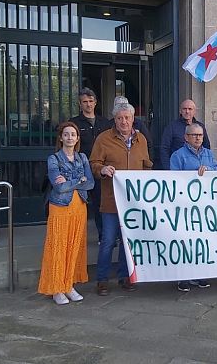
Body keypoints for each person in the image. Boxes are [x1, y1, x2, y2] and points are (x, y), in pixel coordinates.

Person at [90, 102, 153, 295]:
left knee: (128, 241)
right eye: (119, 118)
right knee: (108, 241)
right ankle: (102, 280)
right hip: (111, 200)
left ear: (133, 119)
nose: (124, 121)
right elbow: (94, 163)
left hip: (133, 203)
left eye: (127, 118)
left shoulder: (141, 139)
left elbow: (146, 165)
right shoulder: (103, 139)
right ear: (114, 120)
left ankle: (125, 277)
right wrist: (102, 169)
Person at [38, 121, 95, 305]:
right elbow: (59, 187)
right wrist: (79, 180)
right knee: (59, 247)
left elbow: (90, 183)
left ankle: (69, 285)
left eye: (73, 134)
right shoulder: (54, 159)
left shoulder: (82, 157)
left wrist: (72, 181)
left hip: (79, 207)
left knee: (74, 247)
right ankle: (57, 288)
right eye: (66, 134)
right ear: (61, 138)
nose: (70, 137)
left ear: (77, 138)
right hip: (60, 207)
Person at [169, 123, 217, 291]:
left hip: (204, 206)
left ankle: (200, 274)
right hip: (185, 205)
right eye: (194, 135)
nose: (198, 138)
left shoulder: (208, 153)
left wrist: (209, 170)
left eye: (200, 135)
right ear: (186, 137)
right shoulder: (178, 156)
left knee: (201, 240)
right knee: (185, 241)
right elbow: (173, 179)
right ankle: (183, 277)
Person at [69, 88, 113, 241]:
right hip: (80, 169)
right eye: (85, 102)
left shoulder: (105, 123)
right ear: (80, 104)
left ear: (95, 102)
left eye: (90, 101)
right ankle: (76, 238)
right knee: (78, 203)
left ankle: (103, 236)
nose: (88, 104)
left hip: (99, 168)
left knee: (101, 203)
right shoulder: (74, 123)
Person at [160, 99, 211, 170]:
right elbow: (164, 149)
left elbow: (206, 146)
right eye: (184, 109)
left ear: (194, 111)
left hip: (198, 169)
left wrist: (205, 167)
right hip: (178, 167)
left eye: (190, 109)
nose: (187, 111)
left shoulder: (200, 126)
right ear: (180, 111)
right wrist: (168, 170)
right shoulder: (172, 127)